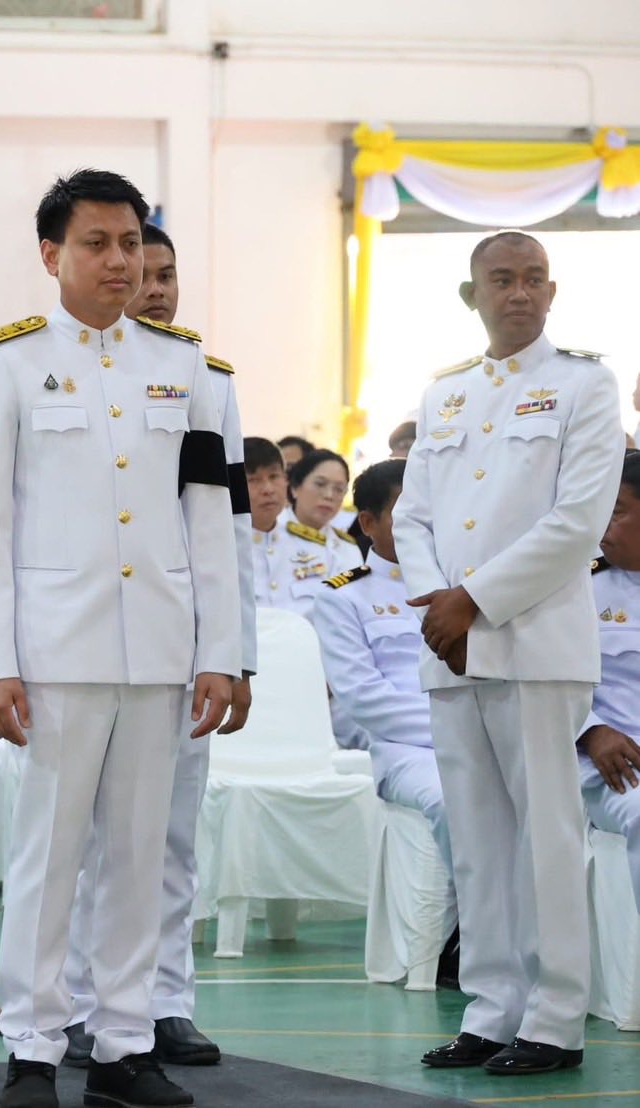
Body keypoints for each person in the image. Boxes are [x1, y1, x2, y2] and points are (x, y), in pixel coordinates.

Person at [0, 169, 240, 1108]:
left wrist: (220, 650)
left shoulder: (184, 365)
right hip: (56, 652)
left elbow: (210, 520)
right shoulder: (8, 362)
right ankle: (33, 1045)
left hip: (158, 652)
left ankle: (123, 1046)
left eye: (130, 243)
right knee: (48, 855)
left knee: (138, 850)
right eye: (96, 244)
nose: (119, 261)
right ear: (52, 255)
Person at [395, 230, 623, 1076]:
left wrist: (471, 602)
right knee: (478, 840)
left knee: (548, 837)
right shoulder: (446, 392)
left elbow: (575, 526)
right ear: (473, 295)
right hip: (450, 649)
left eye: (533, 279)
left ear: (552, 292)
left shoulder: (584, 386)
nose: (519, 293)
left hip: (535, 646)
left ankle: (557, 1017)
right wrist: (436, 603)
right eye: (502, 279)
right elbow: (412, 516)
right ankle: (492, 1009)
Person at [63, 219, 256, 1071]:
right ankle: (76, 1002)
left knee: (169, 834)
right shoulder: (58, 367)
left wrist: (234, 648)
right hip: (87, 639)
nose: (155, 285)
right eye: (143, 269)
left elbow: (231, 528)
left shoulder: (204, 380)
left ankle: (163, 1000)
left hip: (180, 644)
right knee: (83, 837)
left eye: (167, 272)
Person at [314, 460, 451, 873]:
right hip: (404, 749)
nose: (421, 522)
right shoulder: (344, 596)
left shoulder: (460, 586)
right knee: (455, 801)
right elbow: (364, 699)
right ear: (369, 522)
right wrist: (452, 729)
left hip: (479, 737)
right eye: (405, 511)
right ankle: (466, 928)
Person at [578, 453, 640, 911]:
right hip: (613, 764)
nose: (603, 526)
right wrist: (591, 729)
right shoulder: (575, 585)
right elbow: (545, 679)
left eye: (616, 511)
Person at [265, 448, 362, 618]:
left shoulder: (348, 549)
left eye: (339, 489)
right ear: (295, 487)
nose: (329, 495)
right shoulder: (268, 533)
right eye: (320, 484)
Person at [243, 437, 288, 604]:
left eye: (274, 476)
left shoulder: (316, 547)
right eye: (253, 480)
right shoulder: (214, 548)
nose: (268, 489)